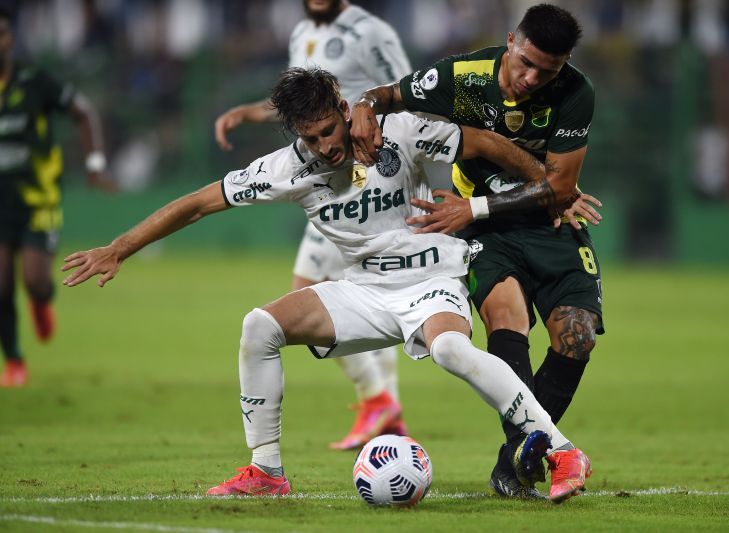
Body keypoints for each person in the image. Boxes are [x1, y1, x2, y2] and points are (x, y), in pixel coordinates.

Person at [63, 67, 591, 502]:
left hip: (433, 279)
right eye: (308, 138)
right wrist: (118, 249)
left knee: (452, 349)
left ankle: (562, 449)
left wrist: (553, 189)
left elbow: (483, 141)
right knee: (259, 326)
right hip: (363, 290)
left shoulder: (399, 130)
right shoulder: (287, 169)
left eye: (327, 131)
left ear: (343, 110)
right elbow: (199, 203)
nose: (324, 147)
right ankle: (266, 471)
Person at [350, 4, 603, 497]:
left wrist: (474, 209)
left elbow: (559, 187)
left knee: (577, 338)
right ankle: (536, 457)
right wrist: (364, 104)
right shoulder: (462, 77)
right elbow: (389, 95)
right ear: (511, 40)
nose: (531, 78)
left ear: (564, 64)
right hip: (487, 233)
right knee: (507, 322)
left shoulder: (576, 93)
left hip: (547, 222)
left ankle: (512, 462)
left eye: (546, 70)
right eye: (524, 62)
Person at [213, 0, 413, 450]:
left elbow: (405, 93)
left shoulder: (369, 31)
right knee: (330, 291)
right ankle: (382, 403)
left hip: (366, 179)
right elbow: (299, 106)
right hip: (329, 179)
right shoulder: (301, 31)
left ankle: (379, 399)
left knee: (309, 294)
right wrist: (248, 111)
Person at [0, 7, 113, 387]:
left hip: (37, 200)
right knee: (0, 283)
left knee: (34, 279)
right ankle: (14, 360)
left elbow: (83, 111)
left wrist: (94, 165)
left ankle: (40, 300)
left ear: (10, 38)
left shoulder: (35, 81)